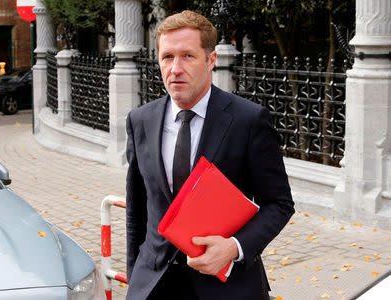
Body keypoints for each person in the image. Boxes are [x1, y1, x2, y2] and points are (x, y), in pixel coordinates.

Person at [125, 10, 294, 300]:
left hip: (228, 287)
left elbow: (279, 204)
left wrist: (234, 248)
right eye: (167, 57)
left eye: (188, 56)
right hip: (154, 286)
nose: (175, 68)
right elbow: (137, 209)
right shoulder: (140, 120)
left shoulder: (248, 121)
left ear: (211, 60)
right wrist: (135, 278)